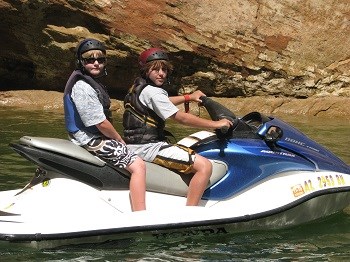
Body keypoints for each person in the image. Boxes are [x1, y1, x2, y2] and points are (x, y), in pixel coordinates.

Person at [123, 47, 233, 206]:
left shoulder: (138, 88)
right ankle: (190, 212)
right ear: (146, 71)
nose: (161, 73)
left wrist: (189, 97)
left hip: (134, 145)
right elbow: (181, 118)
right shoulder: (154, 92)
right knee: (205, 166)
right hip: (148, 147)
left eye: (164, 69)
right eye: (156, 69)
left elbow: (163, 101)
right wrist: (215, 124)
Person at [63, 38, 146, 211]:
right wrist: (118, 139)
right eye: (89, 60)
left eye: (100, 60)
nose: (96, 63)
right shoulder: (83, 87)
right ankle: (140, 213)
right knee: (139, 165)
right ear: (80, 62)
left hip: (89, 135)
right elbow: (100, 123)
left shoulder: (90, 82)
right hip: (88, 139)